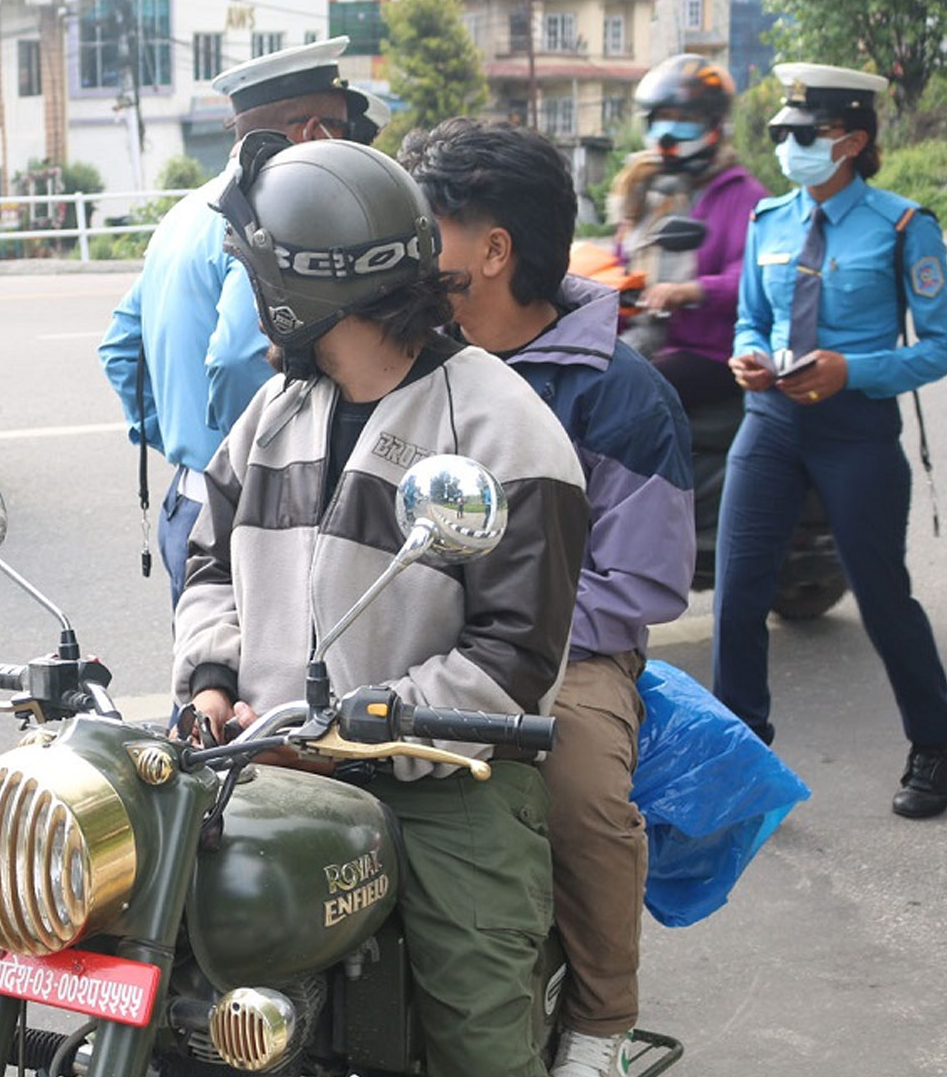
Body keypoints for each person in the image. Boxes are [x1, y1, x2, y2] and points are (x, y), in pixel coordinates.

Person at [175, 134, 590, 1077]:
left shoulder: (500, 423)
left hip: (446, 784)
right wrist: (208, 684)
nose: (243, 297)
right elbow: (207, 565)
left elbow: (513, 661)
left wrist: (353, 731)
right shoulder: (274, 414)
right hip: (265, 760)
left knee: (478, 1042)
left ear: (302, 288)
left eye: (253, 274)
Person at [401, 117, 695, 1077]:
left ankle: (602, 1026)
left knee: (577, 796)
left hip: (573, 654)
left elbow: (641, 585)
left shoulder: (622, 394)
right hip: (420, 632)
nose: (408, 246)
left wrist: (506, 641)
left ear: (493, 249)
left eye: (426, 226)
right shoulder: (409, 354)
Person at [718, 62, 947, 819]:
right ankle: (741, 764)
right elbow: (752, 318)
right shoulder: (768, 224)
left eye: (800, 133)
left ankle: (936, 747)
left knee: (883, 596)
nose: (785, 144)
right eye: (781, 132)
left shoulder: (906, 226)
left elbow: (940, 345)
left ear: (850, 139)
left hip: (856, 432)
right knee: (738, 596)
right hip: (773, 424)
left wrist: (855, 370)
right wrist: (746, 357)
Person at [96, 37, 383, 610]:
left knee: (205, 682)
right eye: (342, 129)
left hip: (187, 502)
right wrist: (253, 475)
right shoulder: (269, 216)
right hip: (247, 513)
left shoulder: (187, 211)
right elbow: (235, 359)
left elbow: (121, 348)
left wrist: (186, 448)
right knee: (261, 692)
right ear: (312, 132)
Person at [609, 55, 770, 412]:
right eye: (662, 117)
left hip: (710, 351)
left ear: (714, 125)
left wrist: (688, 291)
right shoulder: (642, 190)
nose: (670, 130)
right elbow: (620, 266)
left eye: (685, 119)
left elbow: (751, 276)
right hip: (645, 335)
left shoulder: (743, 194)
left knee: (630, 387)